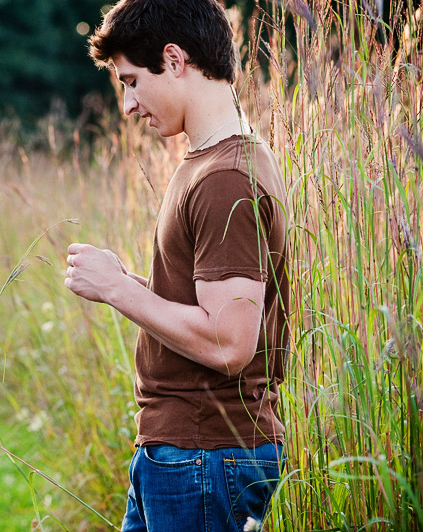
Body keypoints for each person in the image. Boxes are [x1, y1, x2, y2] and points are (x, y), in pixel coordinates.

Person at [64, 1, 289, 530]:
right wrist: (126, 282)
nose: (128, 105)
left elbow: (230, 343)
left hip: (205, 457)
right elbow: (202, 307)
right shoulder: (211, 161)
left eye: (133, 81)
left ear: (174, 59)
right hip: (184, 454)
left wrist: (120, 292)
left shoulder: (225, 178)